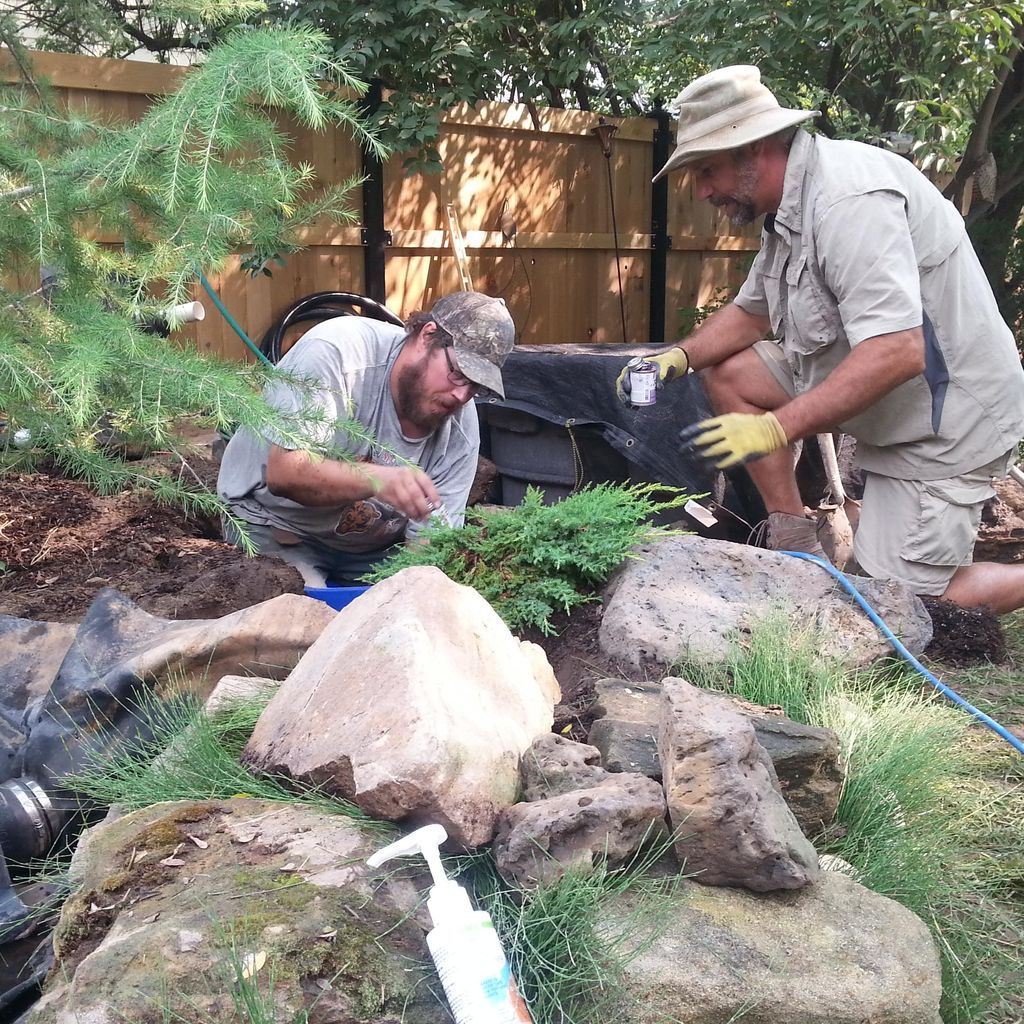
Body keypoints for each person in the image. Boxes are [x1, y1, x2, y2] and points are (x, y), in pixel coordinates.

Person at [616, 65, 1024, 613]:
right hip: (889, 403)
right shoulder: (789, 208)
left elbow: (900, 350)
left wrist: (774, 427)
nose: (702, 190)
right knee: (731, 371)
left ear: (754, 148)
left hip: (946, 420)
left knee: (902, 608)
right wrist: (677, 357)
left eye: (707, 170)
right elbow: (751, 312)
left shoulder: (849, 201)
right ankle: (796, 546)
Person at [218, 291, 515, 587]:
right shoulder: (338, 353)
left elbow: (429, 546)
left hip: (373, 552)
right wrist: (377, 479)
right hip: (276, 524)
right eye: (458, 374)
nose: (462, 395)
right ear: (427, 336)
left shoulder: (461, 427)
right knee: (303, 608)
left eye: (476, 386)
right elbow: (285, 472)